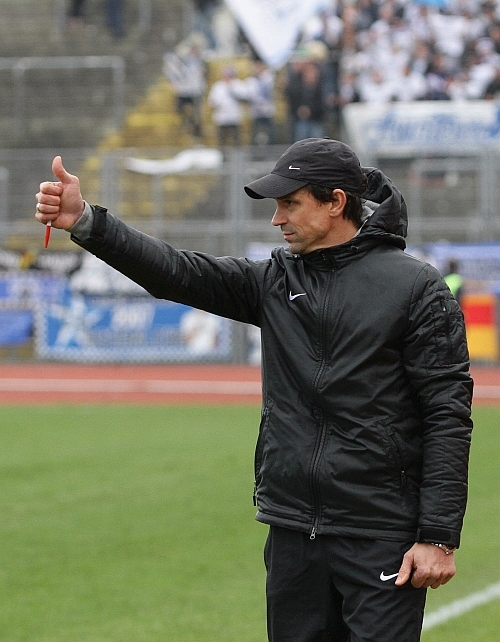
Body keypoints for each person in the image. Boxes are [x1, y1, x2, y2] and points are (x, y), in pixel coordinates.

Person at [35, 139, 473, 642]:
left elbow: (447, 413)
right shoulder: (274, 282)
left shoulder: (416, 288)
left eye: (290, 204)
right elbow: (176, 272)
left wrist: (438, 535)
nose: (276, 219)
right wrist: (86, 221)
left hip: (380, 534)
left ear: (335, 202)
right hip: (292, 534)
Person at [207, 65, 247, 147]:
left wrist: (234, 92)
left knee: (236, 137)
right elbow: (212, 101)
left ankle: (237, 152)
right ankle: (222, 153)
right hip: (221, 117)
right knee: (222, 138)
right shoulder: (218, 86)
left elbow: (245, 97)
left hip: (234, 116)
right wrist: (218, 104)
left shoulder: (238, 84)